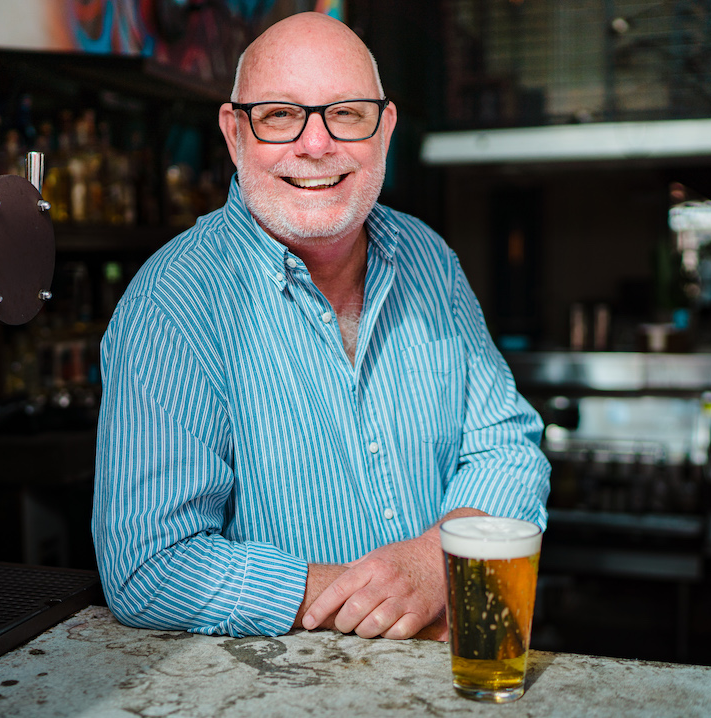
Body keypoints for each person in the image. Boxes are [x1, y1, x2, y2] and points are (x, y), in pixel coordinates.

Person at [92, 12, 550, 641]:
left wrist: (436, 563)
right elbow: (150, 567)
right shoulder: (171, 306)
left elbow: (506, 446)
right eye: (280, 115)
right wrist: (377, 602)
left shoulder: (430, 261)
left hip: (443, 679)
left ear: (385, 129)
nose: (315, 145)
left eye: (347, 113)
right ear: (233, 133)